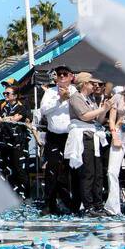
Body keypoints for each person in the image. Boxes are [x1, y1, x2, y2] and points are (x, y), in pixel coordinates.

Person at [66, 72, 111, 214]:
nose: (95, 85)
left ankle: (98, 203)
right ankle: (88, 205)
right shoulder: (75, 98)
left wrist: (105, 109)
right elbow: (84, 116)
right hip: (84, 137)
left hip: (94, 135)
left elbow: (98, 119)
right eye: (92, 83)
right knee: (88, 172)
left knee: (98, 172)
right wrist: (101, 109)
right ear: (84, 83)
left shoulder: (90, 99)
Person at [38, 66, 77, 215]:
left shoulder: (75, 91)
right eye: (59, 74)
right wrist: (60, 100)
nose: (61, 77)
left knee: (69, 170)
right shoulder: (50, 92)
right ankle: (49, 203)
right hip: (54, 136)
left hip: (71, 136)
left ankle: (70, 203)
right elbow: (44, 110)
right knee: (52, 170)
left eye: (64, 74)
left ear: (71, 76)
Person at [0, 83, 30, 196]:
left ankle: (25, 194)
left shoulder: (21, 107)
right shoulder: (4, 107)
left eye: (8, 93)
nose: (5, 95)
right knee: (8, 167)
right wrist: (5, 119)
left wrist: (5, 119)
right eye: (4, 93)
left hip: (18, 142)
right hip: (5, 142)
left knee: (20, 168)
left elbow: (16, 119)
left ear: (15, 96)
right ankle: (13, 193)